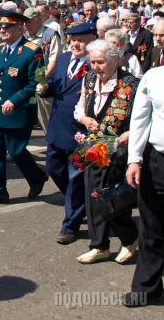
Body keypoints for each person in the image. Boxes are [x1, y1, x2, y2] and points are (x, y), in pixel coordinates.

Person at [73, 39, 139, 265]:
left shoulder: (132, 84)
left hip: (121, 151)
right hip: (96, 147)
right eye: (92, 62)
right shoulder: (89, 79)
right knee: (93, 195)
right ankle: (99, 245)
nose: (95, 67)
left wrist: (130, 134)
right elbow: (80, 105)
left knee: (113, 199)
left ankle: (130, 238)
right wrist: (83, 118)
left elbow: (143, 118)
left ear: (116, 60)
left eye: (100, 62)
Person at [0, 9, 48, 205]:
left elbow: (39, 82)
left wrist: (15, 100)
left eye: (7, 26)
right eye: (0, 26)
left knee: (16, 151)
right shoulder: (0, 49)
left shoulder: (33, 51)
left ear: (20, 28)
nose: (2, 29)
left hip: (18, 111)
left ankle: (37, 176)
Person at [37, 22, 97, 245]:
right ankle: (79, 204)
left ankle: (70, 225)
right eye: (72, 40)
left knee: (76, 179)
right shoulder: (63, 60)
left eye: (81, 40)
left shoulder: (97, 64)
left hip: (82, 131)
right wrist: (45, 88)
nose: (75, 44)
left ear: (93, 40)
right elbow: (54, 83)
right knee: (54, 168)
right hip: (59, 126)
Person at [123, 64, 164, 307]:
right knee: (151, 228)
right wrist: (134, 159)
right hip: (158, 160)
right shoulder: (154, 77)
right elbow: (139, 119)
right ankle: (146, 289)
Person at [23, 7, 62, 134]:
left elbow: (54, 60)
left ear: (39, 20)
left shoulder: (50, 35)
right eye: (24, 21)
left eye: (29, 21)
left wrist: (41, 79)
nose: (25, 24)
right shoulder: (24, 36)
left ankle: (54, 145)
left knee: (47, 118)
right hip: (28, 84)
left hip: (44, 84)